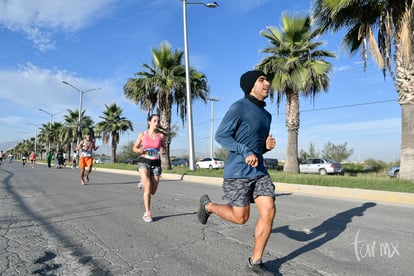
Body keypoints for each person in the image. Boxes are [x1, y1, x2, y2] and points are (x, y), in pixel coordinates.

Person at [197, 70, 277, 276]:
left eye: (267, 80)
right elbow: (222, 135)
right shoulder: (239, 107)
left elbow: (256, 145)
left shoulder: (267, 115)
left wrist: (266, 147)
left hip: (259, 170)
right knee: (241, 218)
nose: (267, 83)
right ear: (251, 85)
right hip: (237, 172)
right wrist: (245, 151)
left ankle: (256, 262)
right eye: (261, 80)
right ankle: (208, 206)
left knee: (269, 210)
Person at [133, 114, 166, 222]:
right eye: (154, 121)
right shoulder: (143, 134)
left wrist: (163, 151)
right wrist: (140, 150)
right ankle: (148, 213)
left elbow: (164, 148)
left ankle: (143, 181)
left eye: (158, 121)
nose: (157, 123)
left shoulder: (161, 136)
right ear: (149, 122)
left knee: (153, 191)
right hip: (144, 163)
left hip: (156, 164)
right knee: (147, 187)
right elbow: (134, 148)